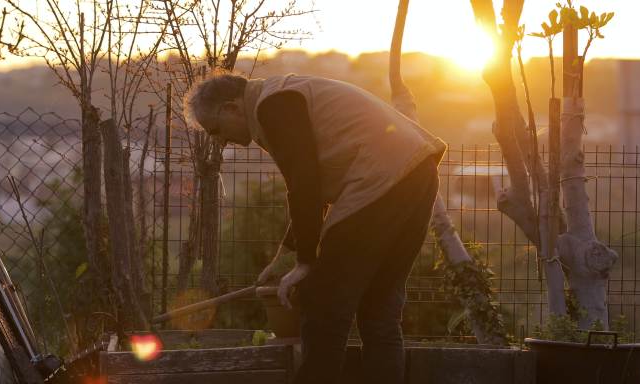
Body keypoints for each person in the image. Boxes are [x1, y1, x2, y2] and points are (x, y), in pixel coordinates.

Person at [184, 73, 446, 384]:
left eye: (215, 131)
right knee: (380, 310)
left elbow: (304, 182)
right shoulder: (281, 94)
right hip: (418, 173)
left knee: (323, 304)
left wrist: (306, 261)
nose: (220, 141)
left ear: (231, 108)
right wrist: (287, 254)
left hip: (380, 181)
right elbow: (312, 187)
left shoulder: (273, 106)